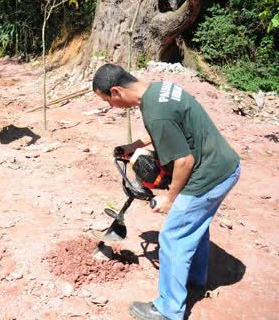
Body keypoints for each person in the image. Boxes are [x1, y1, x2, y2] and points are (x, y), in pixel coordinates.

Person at [92, 64, 241, 320]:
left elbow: (184, 162)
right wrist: (136, 145)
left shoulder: (155, 113)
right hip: (227, 168)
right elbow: (171, 127)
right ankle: (195, 279)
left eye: (108, 100)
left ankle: (168, 309)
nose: (110, 107)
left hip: (207, 176)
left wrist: (170, 198)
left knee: (173, 236)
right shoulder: (159, 91)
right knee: (194, 226)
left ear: (116, 91)